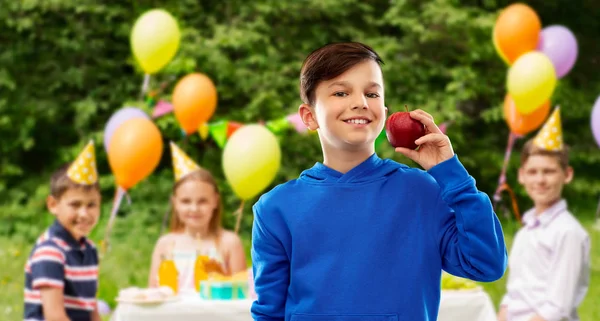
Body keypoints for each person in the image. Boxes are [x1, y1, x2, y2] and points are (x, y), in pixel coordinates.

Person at [251, 42, 507, 321]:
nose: (360, 102)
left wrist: (451, 173)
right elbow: (269, 312)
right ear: (309, 116)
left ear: (384, 111)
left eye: (371, 93)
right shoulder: (276, 207)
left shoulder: (423, 192)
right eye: (340, 92)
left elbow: (486, 264)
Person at [498, 108, 590, 321]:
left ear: (567, 175)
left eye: (548, 171)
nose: (540, 180)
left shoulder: (568, 233)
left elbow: (556, 308)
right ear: (521, 176)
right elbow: (514, 293)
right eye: (532, 172)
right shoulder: (527, 230)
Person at [149, 142, 247, 292]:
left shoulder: (229, 243)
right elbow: (153, 294)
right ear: (175, 203)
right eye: (186, 201)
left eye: (202, 201)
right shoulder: (165, 244)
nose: (194, 208)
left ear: (215, 201)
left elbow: (242, 294)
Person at [24, 140, 102, 321]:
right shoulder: (49, 252)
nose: (84, 213)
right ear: (53, 205)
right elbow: (54, 317)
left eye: (91, 205)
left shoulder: (89, 249)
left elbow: (91, 309)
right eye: (75, 204)